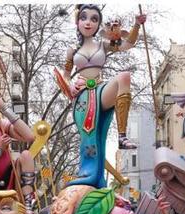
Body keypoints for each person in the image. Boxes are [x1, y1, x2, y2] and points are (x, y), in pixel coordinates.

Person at [55, 4, 145, 183]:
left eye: (94, 19)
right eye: (84, 18)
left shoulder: (103, 45)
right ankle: (88, 176)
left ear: (98, 25)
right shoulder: (72, 50)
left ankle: (122, 136)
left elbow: (128, 44)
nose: (88, 23)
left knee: (124, 77)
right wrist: (70, 85)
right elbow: (65, 76)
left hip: (100, 91)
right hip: (83, 99)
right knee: (90, 139)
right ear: (78, 22)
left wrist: (136, 25)